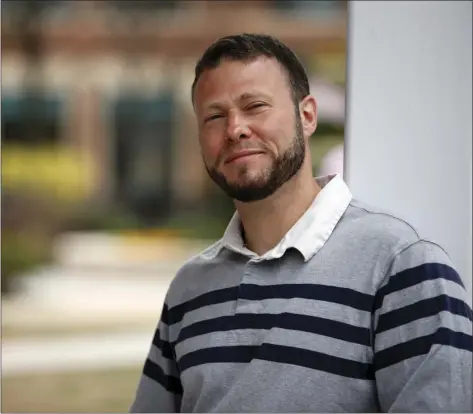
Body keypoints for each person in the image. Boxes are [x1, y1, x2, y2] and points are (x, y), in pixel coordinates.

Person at [130, 33, 472, 413]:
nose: (235, 129)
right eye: (214, 116)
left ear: (307, 116)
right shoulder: (189, 289)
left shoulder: (402, 268)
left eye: (255, 106)